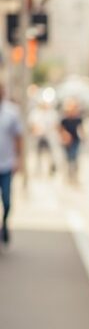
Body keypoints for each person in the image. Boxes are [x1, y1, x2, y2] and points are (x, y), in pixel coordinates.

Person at [0, 83, 23, 245]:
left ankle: (5, 224)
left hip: (6, 165)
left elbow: (18, 137)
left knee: (7, 201)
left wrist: (18, 158)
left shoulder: (12, 112)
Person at [28, 99, 60, 176]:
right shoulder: (35, 113)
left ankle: (51, 169)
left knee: (51, 154)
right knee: (38, 154)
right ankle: (38, 170)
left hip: (49, 136)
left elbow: (56, 125)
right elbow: (32, 125)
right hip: (38, 136)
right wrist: (37, 130)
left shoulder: (52, 113)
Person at [59, 99, 84, 184]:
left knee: (74, 158)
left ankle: (74, 176)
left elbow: (81, 129)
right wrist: (65, 136)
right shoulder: (64, 120)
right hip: (66, 142)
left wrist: (84, 137)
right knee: (68, 159)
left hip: (75, 140)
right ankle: (68, 176)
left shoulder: (78, 119)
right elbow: (60, 129)